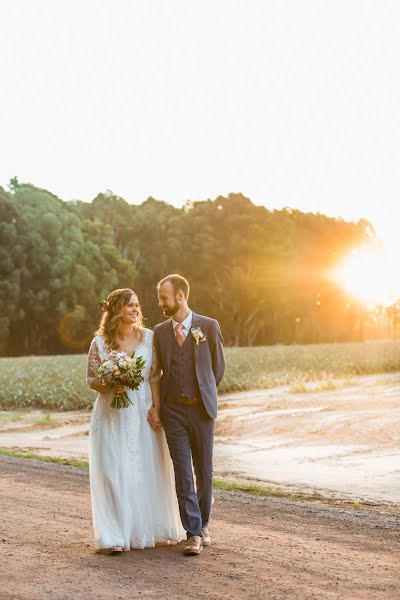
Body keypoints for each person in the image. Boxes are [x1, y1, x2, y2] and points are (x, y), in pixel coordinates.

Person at [86, 288, 185, 553]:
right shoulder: (99, 343)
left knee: (142, 468)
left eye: (136, 305)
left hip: (141, 409)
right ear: (117, 309)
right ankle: (115, 535)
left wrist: (157, 406)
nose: (135, 309)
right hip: (111, 413)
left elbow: (154, 374)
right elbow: (91, 379)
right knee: (114, 470)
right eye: (130, 305)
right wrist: (108, 386)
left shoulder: (149, 337)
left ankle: (146, 528)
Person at [149, 274, 225, 556]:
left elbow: (217, 369)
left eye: (163, 298)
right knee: (183, 472)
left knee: (204, 470)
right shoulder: (159, 331)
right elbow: (157, 371)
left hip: (202, 409)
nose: (160, 303)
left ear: (180, 296)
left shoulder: (208, 326)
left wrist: (202, 392)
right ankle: (192, 532)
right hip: (173, 412)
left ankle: (203, 524)